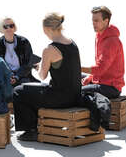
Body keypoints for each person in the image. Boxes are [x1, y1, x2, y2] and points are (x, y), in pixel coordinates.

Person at [13, 13, 81, 141]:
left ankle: (31, 130)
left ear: (48, 29)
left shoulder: (49, 49)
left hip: (60, 98)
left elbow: (42, 76)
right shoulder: (72, 43)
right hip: (75, 96)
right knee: (33, 91)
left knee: (19, 92)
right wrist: (46, 63)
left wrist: (39, 67)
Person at [81, 6, 125, 99]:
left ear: (106, 21)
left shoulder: (111, 41)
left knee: (77, 91)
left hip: (111, 87)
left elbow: (100, 69)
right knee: (73, 78)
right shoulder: (99, 36)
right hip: (101, 81)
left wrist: (78, 67)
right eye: (92, 20)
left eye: (96, 21)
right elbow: (101, 68)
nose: (93, 23)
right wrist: (91, 77)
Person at [0, 17, 39, 87]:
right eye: (5, 27)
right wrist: (10, 76)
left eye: (11, 26)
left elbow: (28, 63)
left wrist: (17, 77)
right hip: (6, 77)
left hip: (23, 76)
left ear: (14, 28)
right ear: (1, 29)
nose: (9, 29)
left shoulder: (24, 42)